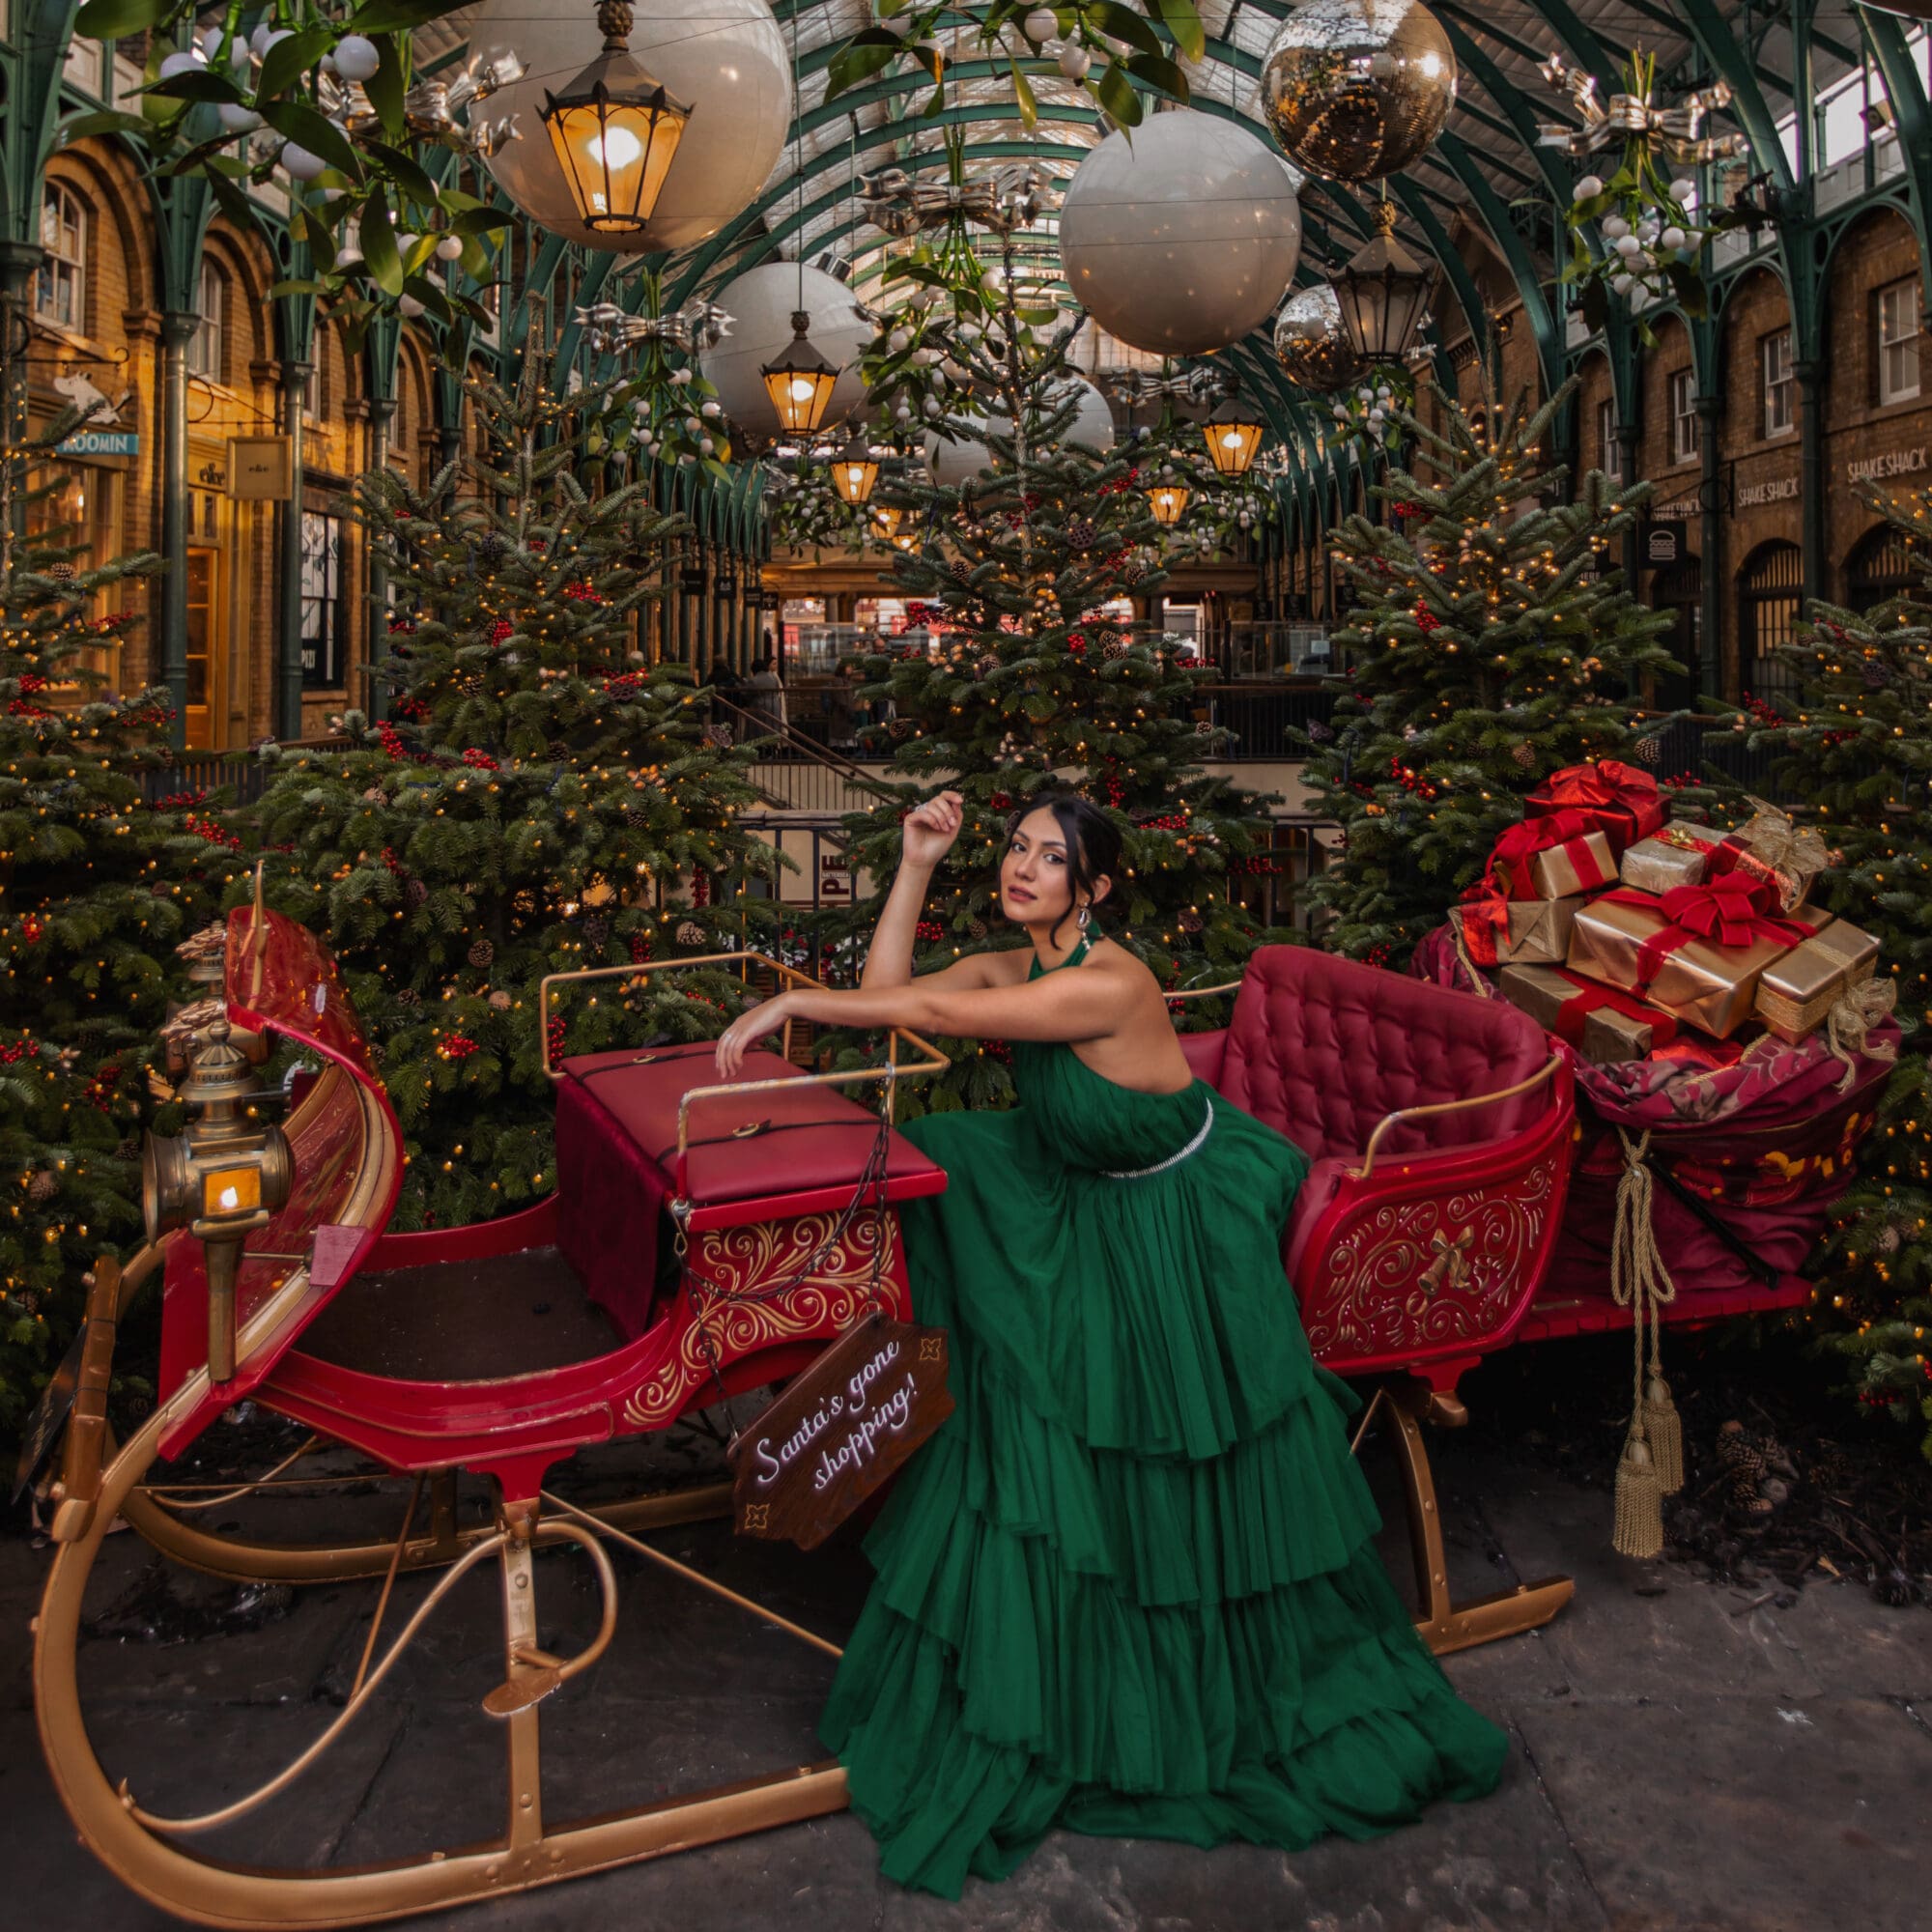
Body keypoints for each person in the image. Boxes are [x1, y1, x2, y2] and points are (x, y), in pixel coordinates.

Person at [713, 787, 1507, 1898]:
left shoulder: (1106, 982)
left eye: (1051, 858)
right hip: (1067, 1173)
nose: (1023, 868)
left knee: (1064, 1371)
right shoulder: (1024, 959)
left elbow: (930, 1022)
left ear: (1094, 887)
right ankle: (884, 1428)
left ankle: (1101, 1579)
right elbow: (898, 997)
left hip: (1165, 1216)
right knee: (928, 1169)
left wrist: (787, 997)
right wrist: (913, 863)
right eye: (1016, 849)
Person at [742, 652, 787, 741]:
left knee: (759, 733)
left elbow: (747, 694)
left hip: (760, 708)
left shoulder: (754, 680)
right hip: (775, 707)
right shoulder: (773, 678)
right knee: (772, 731)